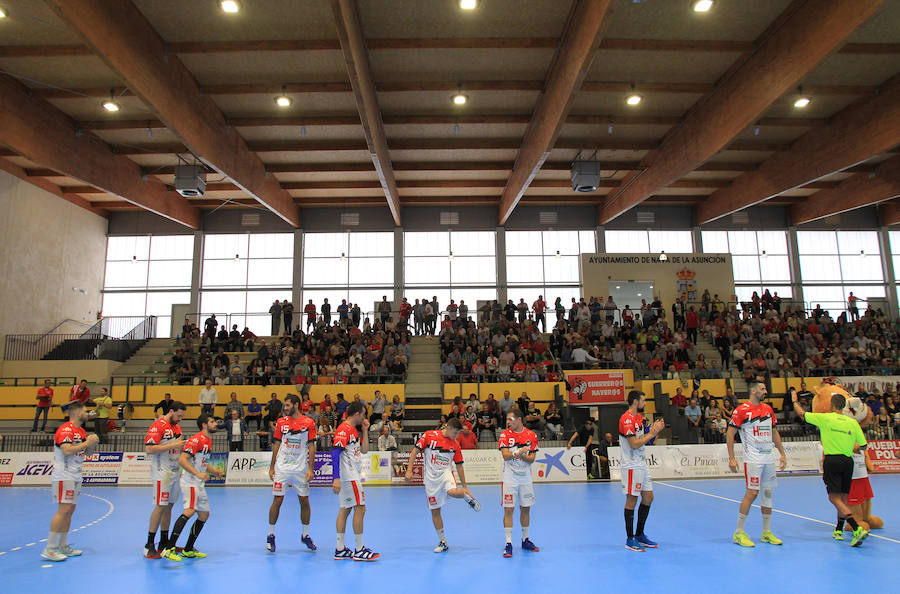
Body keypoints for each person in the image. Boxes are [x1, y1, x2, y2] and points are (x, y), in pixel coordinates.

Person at [792, 388, 869, 546]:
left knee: (833, 498)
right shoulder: (852, 423)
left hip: (832, 461)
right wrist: (849, 446)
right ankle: (839, 529)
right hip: (848, 462)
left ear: (832, 406)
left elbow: (802, 414)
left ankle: (856, 528)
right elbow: (863, 446)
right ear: (844, 407)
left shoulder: (826, 418)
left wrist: (794, 400)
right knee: (843, 498)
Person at [405, 417, 480, 553]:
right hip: (430, 479)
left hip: (446, 473)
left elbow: (459, 466)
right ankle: (443, 541)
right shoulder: (429, 436)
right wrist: (409, 470)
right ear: (449, 428)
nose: (456, 437)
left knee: (451, 491)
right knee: (435, 511)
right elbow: (415, 451)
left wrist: (465, 487)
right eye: (455, 433)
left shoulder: (455, 444)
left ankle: (465, 496)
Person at [726, 379, 786, 548]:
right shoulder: (741, 411)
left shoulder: (768, 409)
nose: (765, 391)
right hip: (753, 459)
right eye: (762, 388)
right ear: (753, 391)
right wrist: (732, 457)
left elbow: (774, 432)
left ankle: (766, 532)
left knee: (767, 493)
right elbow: (730, 434)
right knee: (751, 493)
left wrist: (781, 453)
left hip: (768, 459)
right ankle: (739, 533)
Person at [161, 414, 225, 561]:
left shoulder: (208, 440)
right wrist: (197, 473)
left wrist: (214, 471)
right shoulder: (196, 439)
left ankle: (188, 549)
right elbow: (182, 459)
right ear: (204, 425)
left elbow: (202, 461)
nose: (215, 424)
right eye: (212, 422)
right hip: (190, 481)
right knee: (189, 511)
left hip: (198, 482)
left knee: (204, 515)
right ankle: (169, 548)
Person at [41, 402, 98, 562]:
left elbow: (86, 452)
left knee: (70, 510)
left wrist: (92, 444)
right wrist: (87, 443)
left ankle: (62, 545)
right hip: (64, 474)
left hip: (76, 475)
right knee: (63, 509)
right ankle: (50, 548)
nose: (88, 413)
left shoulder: (80, 431)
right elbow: (66, 450)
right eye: (86, 411)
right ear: (77, 413)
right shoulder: (65, 429)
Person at [267, 394, 318, 553]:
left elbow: (311, 446)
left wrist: (310, 468)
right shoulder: (281, 422)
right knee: (278, 500)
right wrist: (272, 466)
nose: (285, 408)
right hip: (282, 468)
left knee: (304, 501)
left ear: (296, 405)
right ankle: (270, 535)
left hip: (300, 469)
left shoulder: (308, 422)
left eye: (288, 405)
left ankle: (305, 534)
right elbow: (276, 444)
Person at [331, 401, 378, 561]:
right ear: (357, 414)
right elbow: (335, 453)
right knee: (360, 508)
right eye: (363, 414)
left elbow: (364, 450)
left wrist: (365, 430)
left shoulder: (354, 431)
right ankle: (359, 549)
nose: (364, 417)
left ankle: (340, 549)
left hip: (350, 475)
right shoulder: (344, 429)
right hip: (349, 476)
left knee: (345, 509)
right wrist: (335, 477)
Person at [619, 390, 665, 552]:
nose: (645, 403)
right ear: (635, 402)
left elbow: (646, 441)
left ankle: (639, 534)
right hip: (631, 465)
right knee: (631, 500)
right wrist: (651, 433)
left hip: (641, 463)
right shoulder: (626, 419)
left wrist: (655, 431)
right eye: (643, 401)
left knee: (648, 497)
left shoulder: (638, 418)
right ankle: (630, 538)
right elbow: (634, 444)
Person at [143, 400, 187, 560]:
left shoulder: (176, 427)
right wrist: (172, 444)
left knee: (169, 506)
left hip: (174, 471)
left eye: (182, 416)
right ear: (171, 411)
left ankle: (164, 542)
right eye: (179, 415)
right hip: (162, 472)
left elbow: (177, 445)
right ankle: (149, 544)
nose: (180, 419)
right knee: (160, 506)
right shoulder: (158, 425)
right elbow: (149, 448)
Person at [499, 407, 540, 557]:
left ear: (519, 420)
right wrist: (519, 451)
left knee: (526, 508)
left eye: (510, 419)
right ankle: (508, 543)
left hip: (525, 477)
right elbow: (505, 455)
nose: (508, 422)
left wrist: (522, 455)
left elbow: (532, 459)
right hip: (509, 477)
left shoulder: (532, 435)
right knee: (508, 509)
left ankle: (525, 540)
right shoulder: (504, 435)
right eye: (507, 419)